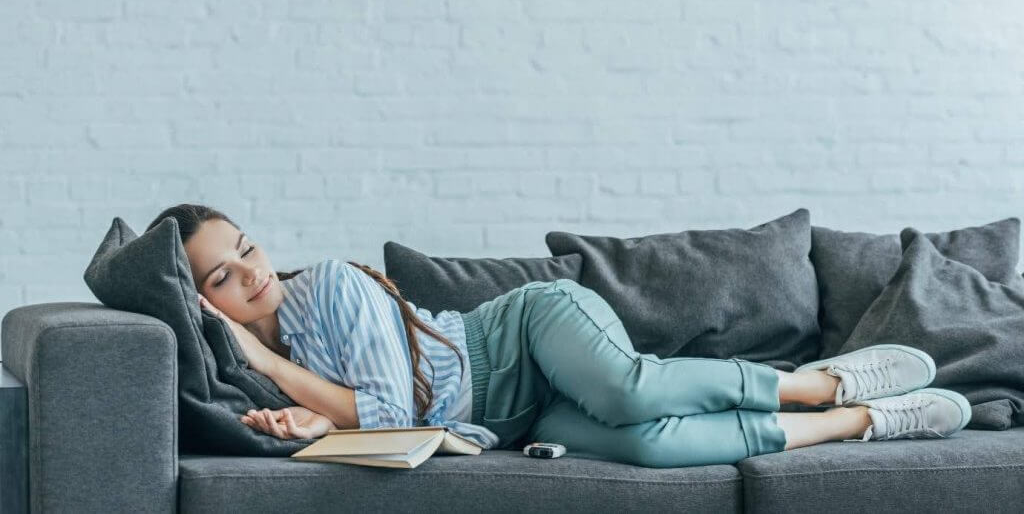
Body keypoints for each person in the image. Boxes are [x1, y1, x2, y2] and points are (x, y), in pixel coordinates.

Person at [148, 203, 973, 469]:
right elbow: (374, 427)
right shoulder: (265, 367)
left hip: (526, 332)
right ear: (204, 300)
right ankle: (860, 421)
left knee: (630, 389)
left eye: (245, 246)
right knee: (647, 447)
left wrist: (264, 362)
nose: (251, 271)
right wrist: (315, 423)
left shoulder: (324, 283)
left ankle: (823, 381)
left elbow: (391, 407)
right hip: (513, 419)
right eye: (221, 275)